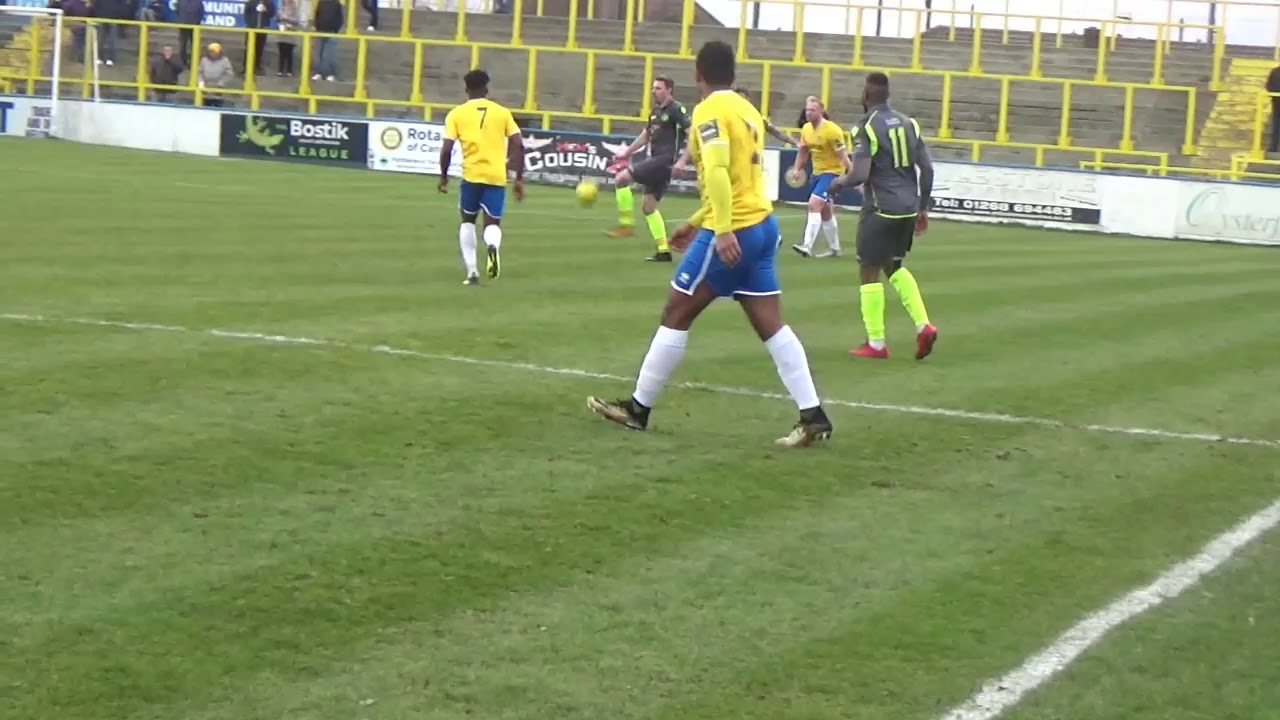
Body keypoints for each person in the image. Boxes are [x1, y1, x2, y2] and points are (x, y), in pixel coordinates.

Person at [587, 40, 833, 449]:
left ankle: (638, 409)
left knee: (677, 309)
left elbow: (718, 172)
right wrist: (696, 221)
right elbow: (740, 179)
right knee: (770, 323)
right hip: (761, 225)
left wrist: (718, 229)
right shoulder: (745, 108)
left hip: (733, 228)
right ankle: (814, 416)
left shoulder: (710, 110)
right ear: (732, 74)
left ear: (698, 74)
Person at [829, 71, 939, 360]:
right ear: (887, 95)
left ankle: (876, 343)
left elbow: (860, 174)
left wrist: (837, 184)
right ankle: (923, 325)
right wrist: (923, 208)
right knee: (894, 266)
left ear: (866, 96)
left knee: (868, 269)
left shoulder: (865, 126)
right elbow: (927, 170)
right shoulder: (910, 124)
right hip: (908, 208)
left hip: (880, 208)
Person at [439, 69, 526, 286]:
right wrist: (518, 179)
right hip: (496, 176)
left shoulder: (456, 114)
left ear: (466, 89)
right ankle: (493, 248)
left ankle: (472, 272)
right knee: (492, 223)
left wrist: (443, 176)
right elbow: (518, 145)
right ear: (486, 89)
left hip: (471, 175)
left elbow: (447, 149)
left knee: (467, 220)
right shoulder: (502, 112)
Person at [605, 75, 692, 263]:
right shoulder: (654, 111)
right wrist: (627, 152)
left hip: (664, 160)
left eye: (659, 88)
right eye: (653, 88)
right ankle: (663, 251)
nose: (654, 91)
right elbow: (646, 135)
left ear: (669, 90)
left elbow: (692, 133)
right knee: (649, 207)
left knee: (621, 179)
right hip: (656, 160)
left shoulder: (677, 109)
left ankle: (626, 225)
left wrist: (683, 160)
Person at [790, 97, 851, 258]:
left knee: (813, 204)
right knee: (825, 212)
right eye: (807, 110)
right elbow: (803, 151)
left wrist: (853, 176)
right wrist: (797, 169)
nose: (808, 113)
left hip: (832, 173)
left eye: (812, 110)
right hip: (817, 173)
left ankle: (807, 246)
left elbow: (843, 156)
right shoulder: (806, 129)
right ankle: (835, 249)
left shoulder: (832, 131)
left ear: (821, 111)